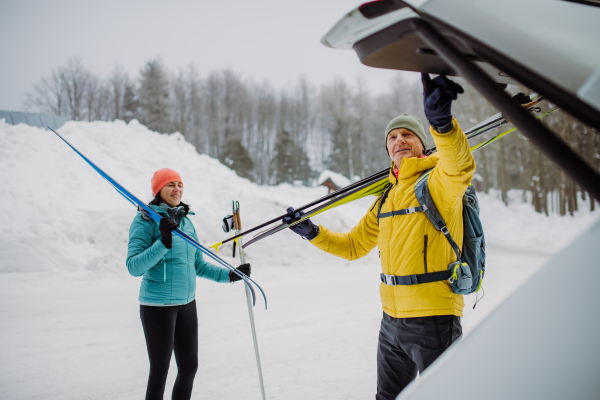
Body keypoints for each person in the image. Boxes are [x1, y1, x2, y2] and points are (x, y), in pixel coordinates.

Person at [285, 74, 474, 399]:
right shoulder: (386, 198)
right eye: (393, 137)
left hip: (434, 318)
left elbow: (459, 165)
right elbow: (354, 246)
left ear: (421, 142)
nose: (399, 140)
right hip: (391, 322)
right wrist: (311, 231)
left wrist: (441, 123)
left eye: (407, 135)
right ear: (387, 148)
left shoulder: (439, 183)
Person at [126, 168, 250, 400]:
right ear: (158, 190)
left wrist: (231, 275)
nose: (177, 189)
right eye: (170, 184)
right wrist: (163, 242)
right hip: (157, 305)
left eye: (179, 184)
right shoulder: (145, 221)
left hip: (187, 304)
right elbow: (134, 267)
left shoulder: (186, 222)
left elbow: (198, 265)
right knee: (159, 372)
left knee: (189, 369)